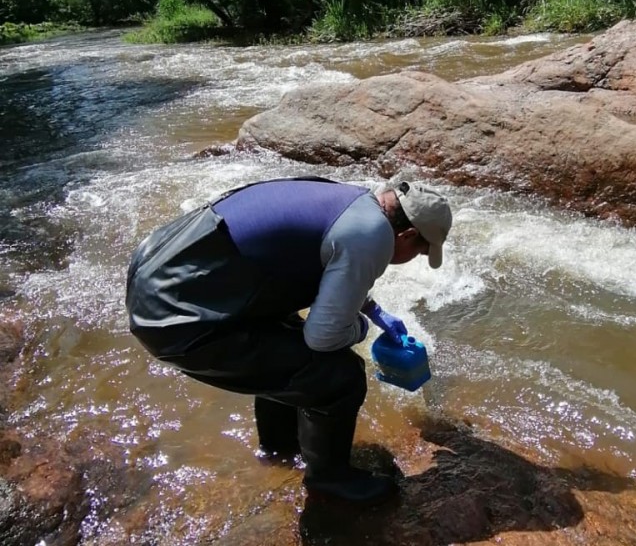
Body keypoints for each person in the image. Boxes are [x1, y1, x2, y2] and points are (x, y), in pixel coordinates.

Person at [125, 176, 452, 504]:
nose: (415, 258)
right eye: (420, 252)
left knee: (287, 344)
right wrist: (362, 328)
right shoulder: (374, 234)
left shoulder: (354, 203)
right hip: (174, 314)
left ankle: (279, 450)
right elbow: (323, 337)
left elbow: (325, 260)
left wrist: (372, 309)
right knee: (340, 376)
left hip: (156, 271)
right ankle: (329, 481)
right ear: (407, 235)